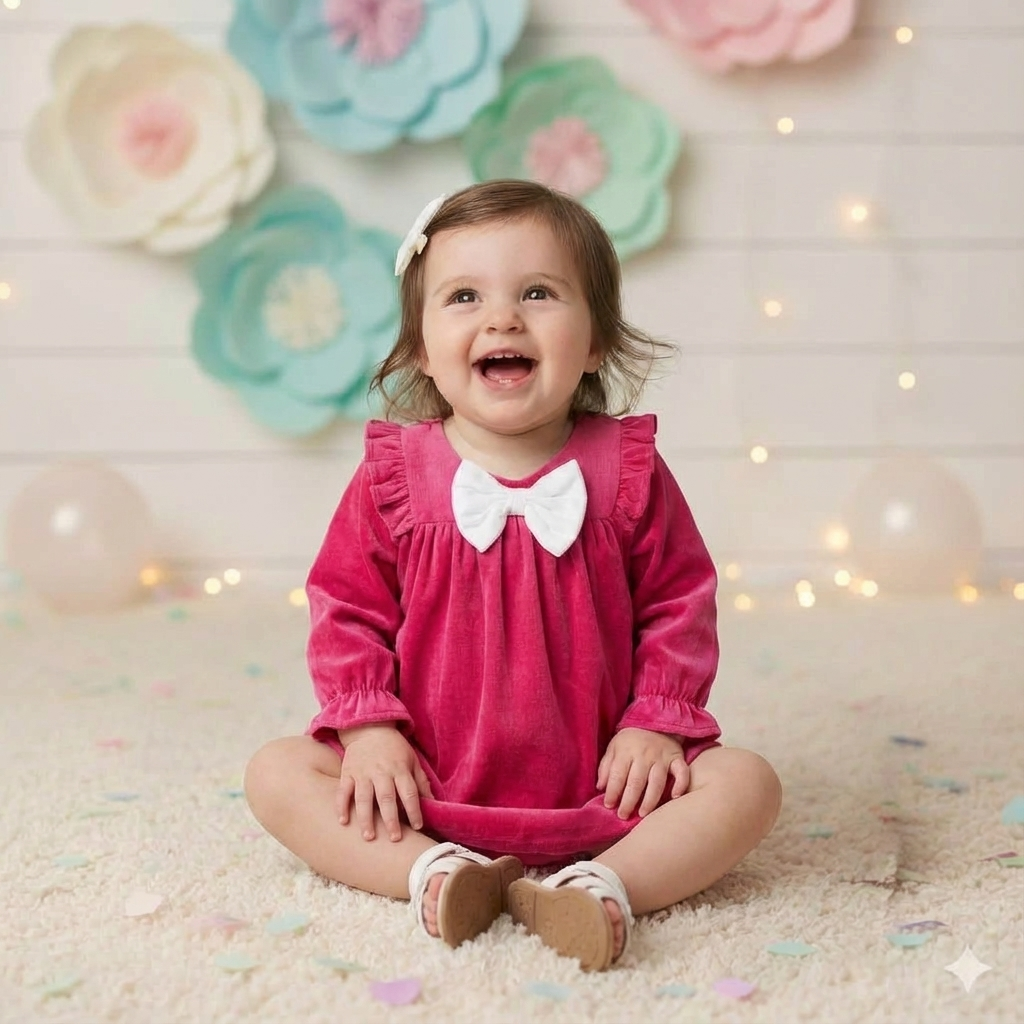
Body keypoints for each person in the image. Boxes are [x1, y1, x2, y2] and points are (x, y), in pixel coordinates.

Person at [244, 180, 782, 972]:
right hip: (425, 791)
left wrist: (655, 725)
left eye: (538, 292)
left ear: (594, 342)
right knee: (277, 773)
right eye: (464, 296)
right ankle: (433, 875)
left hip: (606, 790)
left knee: (748, 783)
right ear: (421, 348)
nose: (502, 319)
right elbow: (347, 609)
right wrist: (370, 732)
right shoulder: (394, 476)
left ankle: (602, 887)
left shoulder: (627, 471)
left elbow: (679, 601)